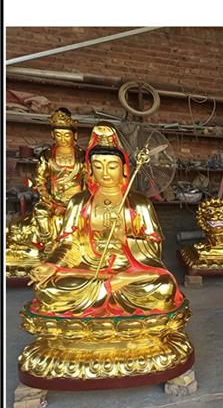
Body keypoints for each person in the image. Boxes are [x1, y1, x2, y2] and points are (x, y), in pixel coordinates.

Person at [28, 124, 184, 317]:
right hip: (87, 269)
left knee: (163, 287)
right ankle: (109, 287)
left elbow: (154, 248)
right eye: (98, 166)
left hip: (128, 270)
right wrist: (50, 266)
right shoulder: (79, 202)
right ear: (89, 170)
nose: (105, 173)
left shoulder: (139, 203)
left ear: (124, 169)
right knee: (46, 290)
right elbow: (68, 244)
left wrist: (125, 239)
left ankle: (111, 287)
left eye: (112, 166)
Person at [6, 108, 87, 268]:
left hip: (77, 201)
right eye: (58, 135)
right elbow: (40, 179)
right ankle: (48, 245)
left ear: (75, 136)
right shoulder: (48, 155)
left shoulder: (81, 156)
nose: (63, 139)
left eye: (67, 135)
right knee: (40, 211)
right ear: (52, 135)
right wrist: (44, 193)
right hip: (54, 199)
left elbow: (89, 179)